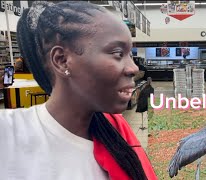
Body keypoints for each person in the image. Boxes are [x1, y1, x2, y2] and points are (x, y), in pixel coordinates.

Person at [0, 1, 156, 180]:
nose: (133, 68)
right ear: (62, 60)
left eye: (129, 54)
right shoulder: (8, 136)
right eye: (118, 54)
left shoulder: (115, 133)